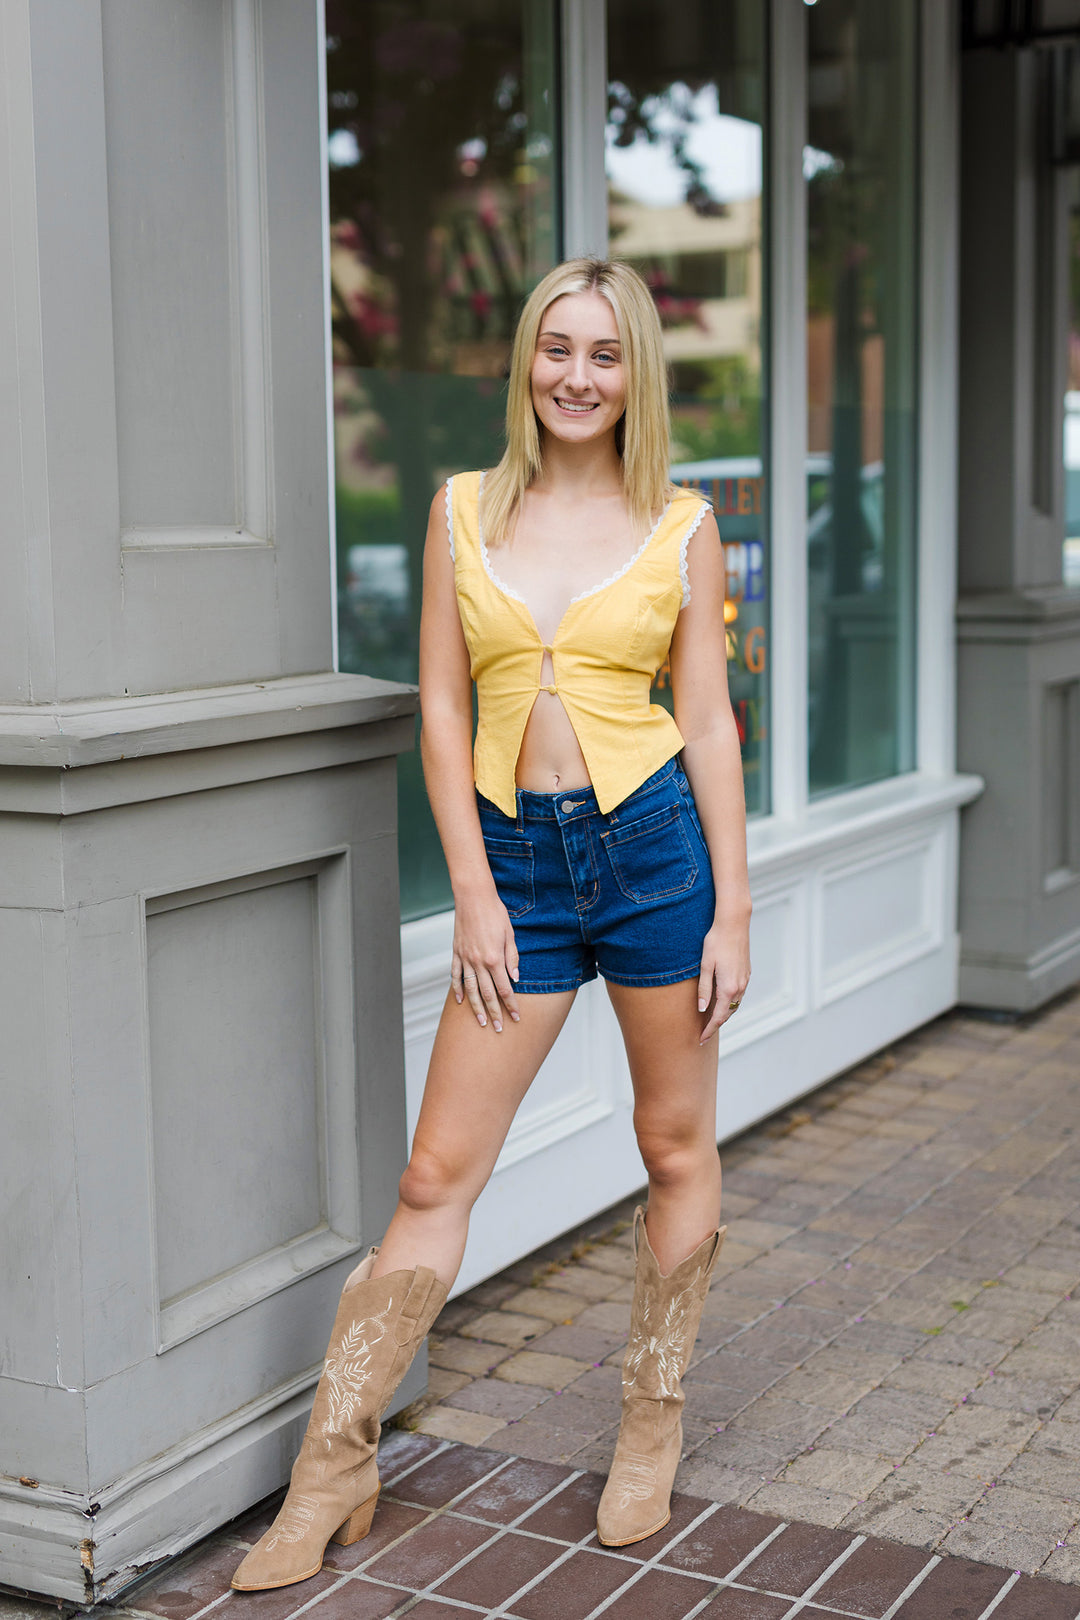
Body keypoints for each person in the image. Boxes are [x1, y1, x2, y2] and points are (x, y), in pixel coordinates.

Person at [232, 258, 752, 1592]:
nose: (578, 376)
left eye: (606, 354)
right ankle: (334, 1465)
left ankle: (650, 1422)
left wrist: (732, 912)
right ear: (527, 365)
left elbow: (703, 721)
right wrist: (470, 885)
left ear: (638, 372)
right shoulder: (466, 508)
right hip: (514, 867)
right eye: (555, 350)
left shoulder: (681, 522)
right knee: (433, 1177)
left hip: (652, 860)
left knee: (672, 1141)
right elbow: (446, 709)